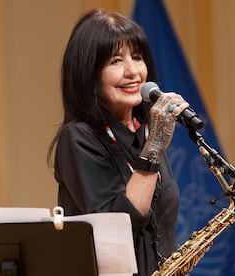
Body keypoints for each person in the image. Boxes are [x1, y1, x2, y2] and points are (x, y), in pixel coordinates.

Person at [47, 8, 190, 276]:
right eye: (115, 61)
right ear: (89, 73)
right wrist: (155, 147)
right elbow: (122, 222)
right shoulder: (78, 137)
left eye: (137, 57)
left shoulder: (148, 129)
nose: (133, 71)